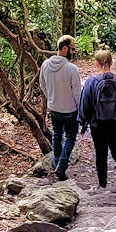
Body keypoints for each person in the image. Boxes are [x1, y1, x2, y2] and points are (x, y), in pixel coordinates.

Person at [79, 49, 116, 188]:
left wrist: (82, 121)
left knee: (101, 152)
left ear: (96, 63)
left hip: (98, 124)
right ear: (112, 62)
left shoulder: (91, 82)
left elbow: (85, 104)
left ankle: (103, 184)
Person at [39, 35, 83, 181]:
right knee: (70, 138)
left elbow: (42, 85)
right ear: (64, 49)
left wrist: (51, 98)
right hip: (70, 110)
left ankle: (57, 163)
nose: (74, 52)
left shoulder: (45, 65)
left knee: (57, 136)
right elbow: (77, 92)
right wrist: (81, 109)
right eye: (72, 49)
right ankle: (62, 166)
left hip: (54, 108)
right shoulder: (71, 69)